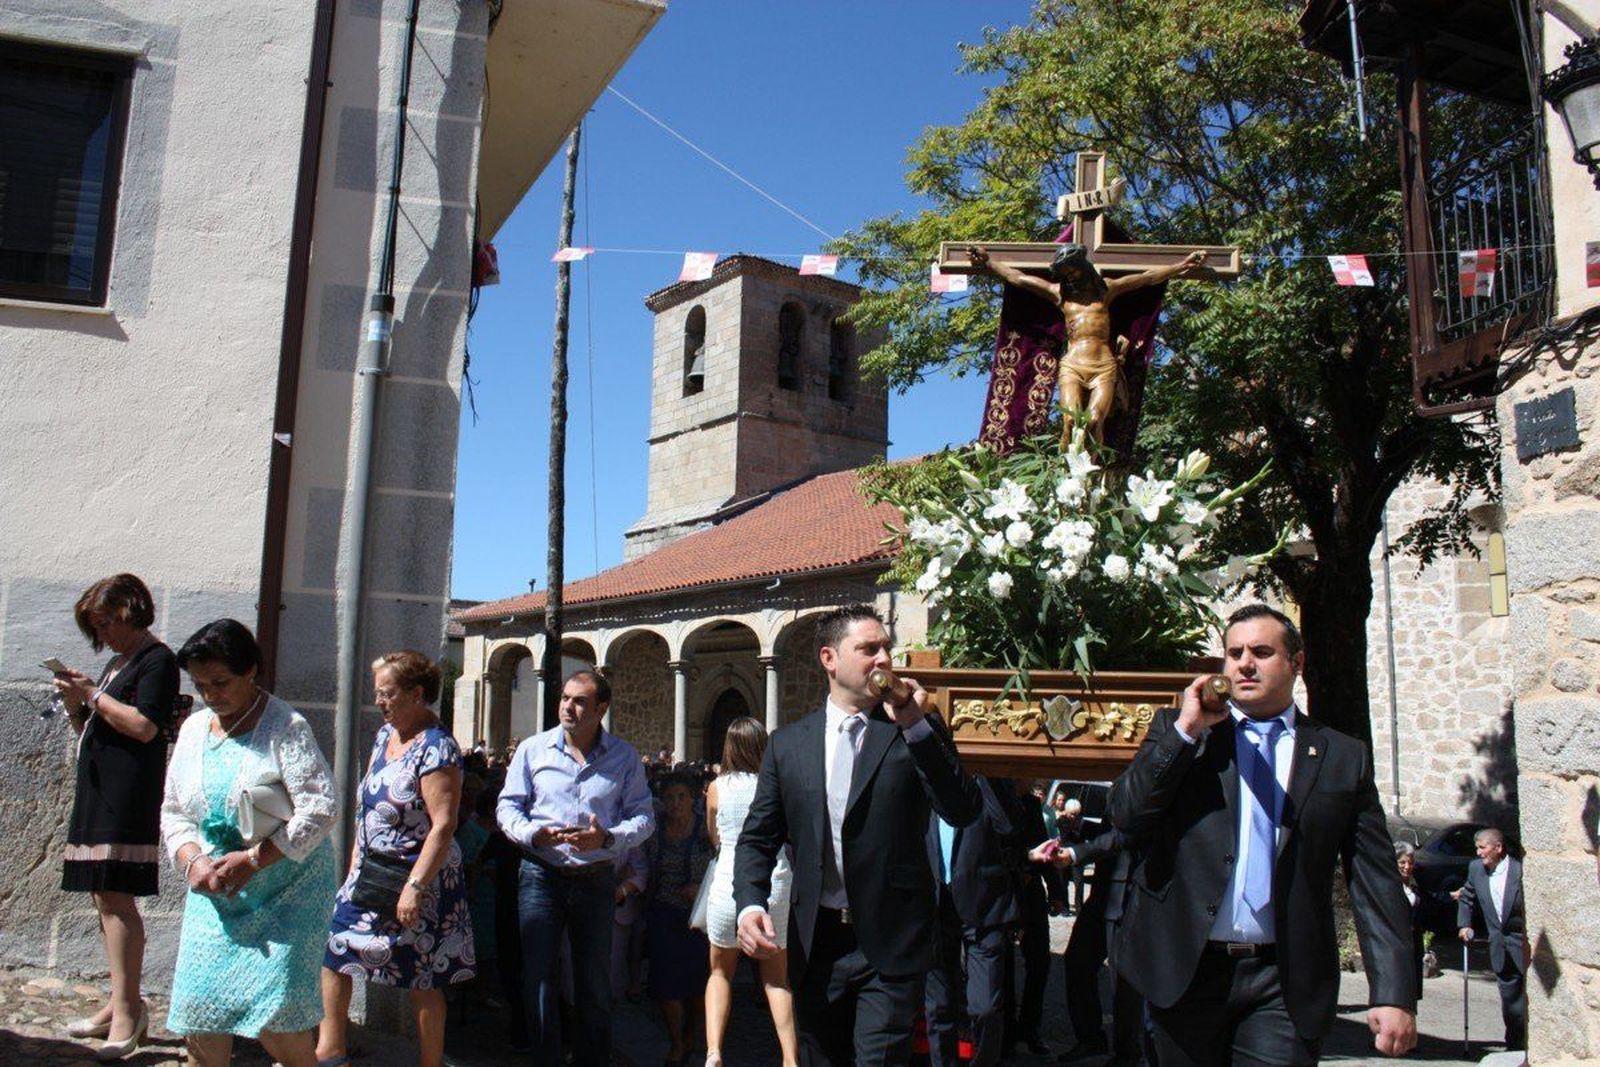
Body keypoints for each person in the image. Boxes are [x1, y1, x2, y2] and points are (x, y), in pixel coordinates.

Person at [1109, 603, 1417, 1065]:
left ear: (1297, 663)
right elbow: (1127, 816)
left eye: (1261, 651)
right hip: (1188, 971)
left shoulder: (1341, 756)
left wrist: (1393, 992)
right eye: (1234, 653)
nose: (1244, 664)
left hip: (1284, 980)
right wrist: (1185, 733)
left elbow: (1375, 879)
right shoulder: (1184, 736)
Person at [734, 604, 982, 1066]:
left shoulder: (912, 729)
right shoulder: (789, 745)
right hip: (818, 943)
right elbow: (757, 838)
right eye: (869, 649)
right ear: (830, 658)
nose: (884, 659)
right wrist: (750, 904)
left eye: (886, 647)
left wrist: (914, 723)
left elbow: (962, 809)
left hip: (890, 945)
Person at [161, 619, 337, 1067]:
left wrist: (255, 860)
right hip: (216, 890)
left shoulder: (285, 726)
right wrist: (192, 862)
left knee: (275, 1020)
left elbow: (320, 809)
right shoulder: (194, 731)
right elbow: (175, 810)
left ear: (251, 671)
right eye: (201, 685)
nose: (211, 695)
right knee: (201, 1011)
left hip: (287, 891)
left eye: (220, 682)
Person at [320, 651, 474, 1067]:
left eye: (387, 694)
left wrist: (415, 887)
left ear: (417, 695)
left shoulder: (438, 747)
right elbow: (366, 809)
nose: (380, 703)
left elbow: (443, 825)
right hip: (370, 873)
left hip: (419, 878)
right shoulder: (383, 738)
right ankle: (331, 1051)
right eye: (377, 694)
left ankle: (429, 1062)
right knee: (335, 950)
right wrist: (353, 867)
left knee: (423, 974)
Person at [497, 669, 655, 1067]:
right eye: (565, 698)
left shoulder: (624, 757)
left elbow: (644, 819)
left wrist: (607, 839)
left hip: (595, 878)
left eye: (580, 700)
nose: (568, 706)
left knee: (594, 983)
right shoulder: (533, 750)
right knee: (539, 979)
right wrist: (534, 834)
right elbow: (507, 806)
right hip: (540, 874)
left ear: (601, 708)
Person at [52, 574, 179, 1059]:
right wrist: (78, 705)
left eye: (105, 622)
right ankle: (119, 1000)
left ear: (129, 610)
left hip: (127, 795)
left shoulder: (157, 660)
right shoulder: (117, 664)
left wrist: (92, 696)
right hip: (100, 790)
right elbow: (102, 725)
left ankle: (129, 1012)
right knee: (103, 897)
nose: (101, 634)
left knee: (117, 899)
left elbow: (145, 726)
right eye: (95, 627)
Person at [968, 242, 1211, 445]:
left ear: (1083, 267)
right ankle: (1065, 474)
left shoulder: (1107, 291)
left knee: (1095, 420)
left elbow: (1146, 279)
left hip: (1104, 366)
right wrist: (988, 262)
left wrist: (1183, 265)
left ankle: (1090, 474)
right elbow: (1018, 279)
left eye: (1072, 272)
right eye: (1066, 274)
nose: (1070, 278)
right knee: (1071, 420)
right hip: (1073, 365)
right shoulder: (1060, 295)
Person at [704, 717, 798, 1067]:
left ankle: (714, 1051)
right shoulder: (773, 785)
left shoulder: (717, 787)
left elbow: (713, 836)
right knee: (776, 980)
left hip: (729, 882)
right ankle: (790, 1058)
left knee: (719, 972)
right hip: (772, 882)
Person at [925, 775, 1026, 1067]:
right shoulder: (927, 773)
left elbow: (1009, 827)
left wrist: (985, 772)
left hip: (985, 908)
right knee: (938, 1007)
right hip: (936, 904)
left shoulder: (992, 780)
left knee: (985, 1008)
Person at [644, 773, 715, 1066]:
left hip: (698, 919)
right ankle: (676, 1041)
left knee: (698, 985)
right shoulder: (653, 832)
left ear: (693, 799)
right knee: (665, 984)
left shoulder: (706, 833)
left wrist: (702, 888)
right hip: (663, 914)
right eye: (670, 797)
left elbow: (723, 866)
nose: (676, 803)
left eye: (682, 797)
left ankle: (691, 1036)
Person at [1457, 827, 1526, 1051]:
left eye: (1482, 847)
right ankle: (1515, 1047)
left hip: (1523, 945)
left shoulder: (1520, 871)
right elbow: (1467, 896)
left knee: (1532, 1000)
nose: (1478, 852)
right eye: (1477, 848)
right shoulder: (1476, 869)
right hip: (1499, 946)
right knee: (1511, 1003)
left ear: (1498, 847)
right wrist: (1465, 924)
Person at [1055, 798, 1088, 914]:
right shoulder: (1062, 820)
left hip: (1077, 854)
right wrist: (1066, 818)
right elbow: (1063, 833)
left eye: (1076, 814)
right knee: (1062, 880)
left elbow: (1080, 835)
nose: (1074, 816)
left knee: (1079, 882)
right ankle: (1065, 907)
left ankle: (1079, 907)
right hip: (1064, 853)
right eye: (1071, 813)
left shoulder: (1081, 821)